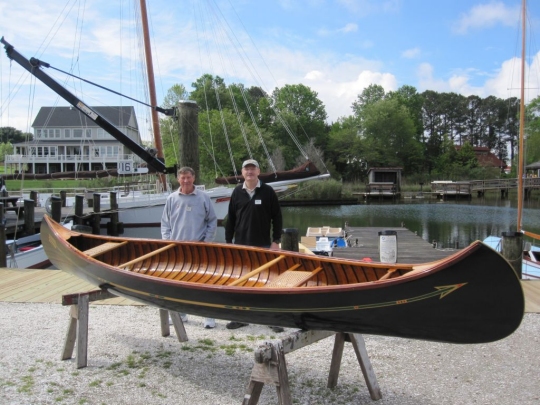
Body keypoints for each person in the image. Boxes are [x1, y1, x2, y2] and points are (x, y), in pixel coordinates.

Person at [224, 159, 284, 332]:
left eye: (252, 169)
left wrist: (276, 241)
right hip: (242, 245)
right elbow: (231, 219)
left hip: (264, 244)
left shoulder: (268, 191)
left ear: (258, 171)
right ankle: (241, 317)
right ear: (242, 173)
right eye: (246, 169)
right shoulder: (236, 192)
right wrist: (229, 242)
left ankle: (271, 318)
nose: (249, 172)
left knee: (268, 281)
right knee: (242, 282)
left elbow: (277, 217)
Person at [161, 166, 218, 329]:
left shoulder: (203, 198)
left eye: (188, 177)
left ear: (194, 178)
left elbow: (212, 221)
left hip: (199, 248)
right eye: (182, 178)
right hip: (177, 249)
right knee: (178, 283)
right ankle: (181, 314)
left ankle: (209, 316)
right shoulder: (172, 198)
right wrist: (168, 243)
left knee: (205, 282)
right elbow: (165, 223)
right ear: (178, 180)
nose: (185, 180)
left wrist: (206, 242)